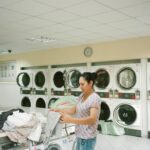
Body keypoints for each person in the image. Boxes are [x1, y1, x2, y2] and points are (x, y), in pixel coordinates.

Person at [51, 72, 101, 150]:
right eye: (79, 84)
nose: (80, 87)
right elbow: (73, 110)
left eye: (82, 84)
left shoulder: (94, 98)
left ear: (90, 83)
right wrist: (58, 109)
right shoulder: (82, 96)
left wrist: (71, 120)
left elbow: (92, 119)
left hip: (87, 138)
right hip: (79, 135)